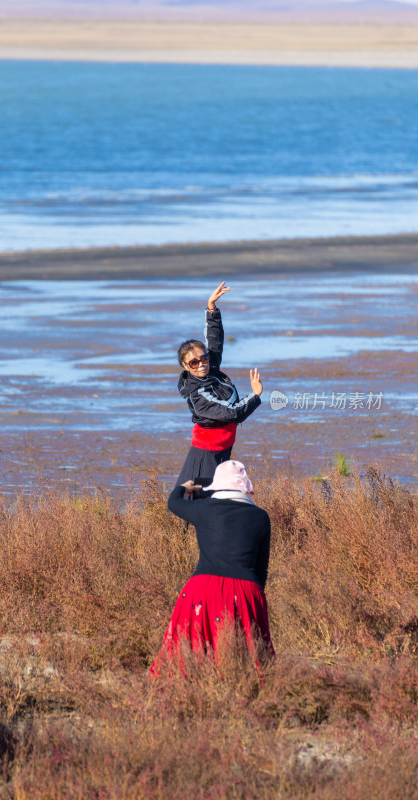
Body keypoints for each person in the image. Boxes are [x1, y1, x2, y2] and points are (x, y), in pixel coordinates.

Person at [151, 460, 274, 674]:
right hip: (246, 590)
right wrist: (255, 600)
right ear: (244, 487)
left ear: (216, 486)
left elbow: (174, 502)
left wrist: (184, 487)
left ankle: (188, 689)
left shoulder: (204, 509)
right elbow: (261, 569)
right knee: (249, 659)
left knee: (188, 650)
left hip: (203, 588)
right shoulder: (261, 517)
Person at [176, 281, 263, 491]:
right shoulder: (197, 395)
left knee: (216, 494)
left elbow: (214, 340)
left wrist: (211, 308)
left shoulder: (211, 369)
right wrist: (255, 395)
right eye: (194, 363)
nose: (201, 365)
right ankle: (185, 523)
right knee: (191, 496)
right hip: (205, 453)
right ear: (185, 366)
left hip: (224, 447)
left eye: (203, 359)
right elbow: (233, 414)